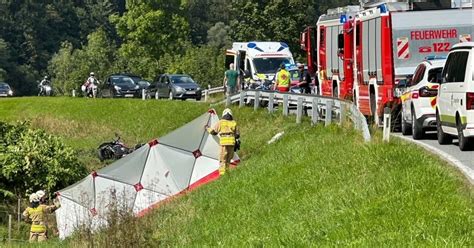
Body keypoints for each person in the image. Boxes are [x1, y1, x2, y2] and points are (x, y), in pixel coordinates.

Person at [207, 108, 240, 175]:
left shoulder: (221, 122)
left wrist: (207, 128)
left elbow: (214, 132)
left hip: (224, 143)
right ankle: (227, 172)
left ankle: (222, 174)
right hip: (231, 142)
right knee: (228, 159)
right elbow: (237, 135)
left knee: (223, 158)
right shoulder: (233, 123)